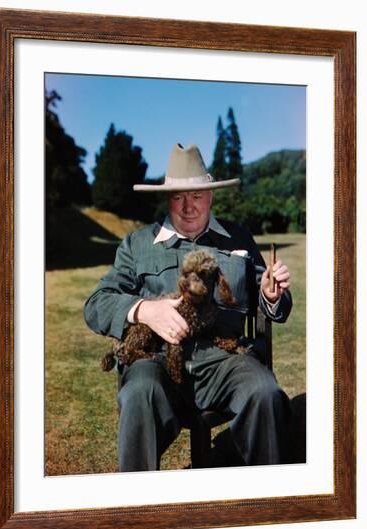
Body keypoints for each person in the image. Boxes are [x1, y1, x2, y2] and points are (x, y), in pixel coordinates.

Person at [84, 143, 292, 472]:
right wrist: (144, 310)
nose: (188, 207)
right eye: (178, 196)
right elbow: (96, 304)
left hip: (226, 360)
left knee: (265, 392)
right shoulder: (137, 244)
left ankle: (272, 502)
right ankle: (136, 509)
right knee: (139, 393)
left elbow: (272, 299)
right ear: (167, 198)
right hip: (157, 362)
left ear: (210, 196)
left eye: (196, 196)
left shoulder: (238, 239)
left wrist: (271, 294)